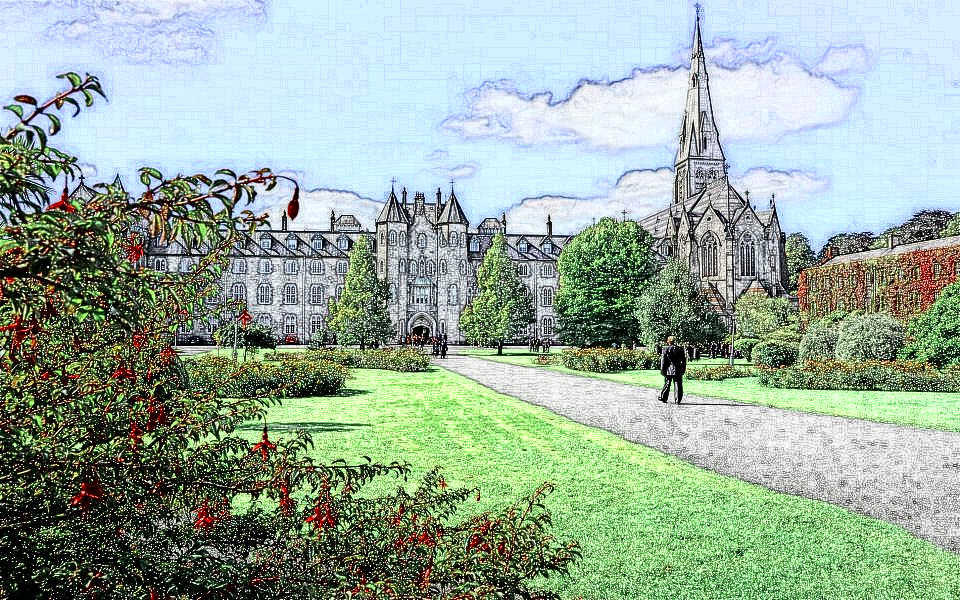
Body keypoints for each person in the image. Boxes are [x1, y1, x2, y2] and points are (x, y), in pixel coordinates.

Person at [659, 335, 686, 404]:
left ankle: (663, 397)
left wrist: (662, 370)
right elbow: (684, 360)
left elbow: (663, 361)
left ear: (668, 341)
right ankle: (678, 400)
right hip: (678, 369)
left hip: (668, 369)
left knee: (667, 383)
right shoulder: (680, 349)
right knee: (678, 384)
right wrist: (683, 369)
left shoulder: (665, 348)